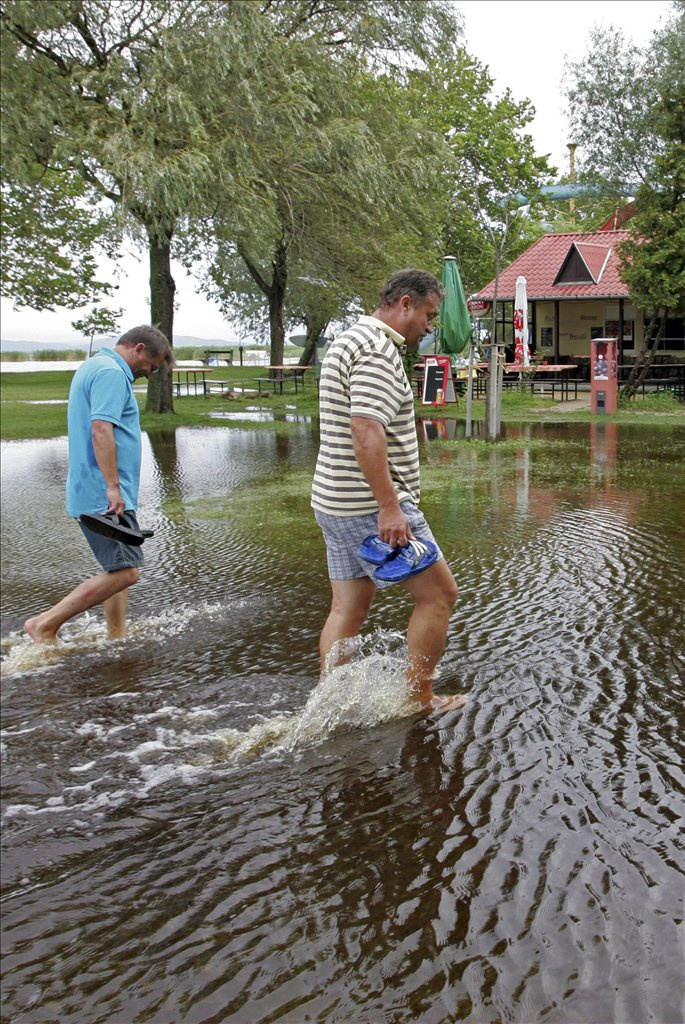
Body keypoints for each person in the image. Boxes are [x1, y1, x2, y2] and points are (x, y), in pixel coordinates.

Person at [311, 269, 464, 712]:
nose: (431, 327)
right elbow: (365, 429)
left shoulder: (349, 339)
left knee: (347, 608)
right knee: (439, 597)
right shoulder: (378, 351)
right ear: (404, 304)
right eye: (429, 315)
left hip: (334, 502)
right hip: (366, 507)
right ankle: (420, 698)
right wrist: (389, 508)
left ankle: (330, 702)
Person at [24, 325, 174, 644]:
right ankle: (45, 624)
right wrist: (112, 487)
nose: (149, 373)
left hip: (97, 490)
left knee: (117, 570)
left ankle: (116, 636)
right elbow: (101, 430)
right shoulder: (111, 373)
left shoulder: (95, 365)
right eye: (152, 366)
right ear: (139, 349)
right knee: (128, 571)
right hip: (102, 495)